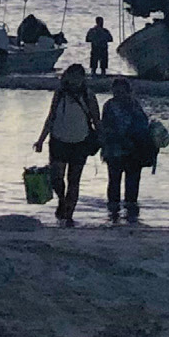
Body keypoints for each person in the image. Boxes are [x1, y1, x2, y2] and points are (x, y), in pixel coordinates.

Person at [33, 64, 100, 225]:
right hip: (58, 140)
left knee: (74, 180)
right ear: (67, 77)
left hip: (80, 141)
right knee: (56, 177)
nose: (75, 80)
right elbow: (51, 118)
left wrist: (102, 140)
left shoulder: (88, 95)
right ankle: (62, 200)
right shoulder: (60, 94)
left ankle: (69, 214)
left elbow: (97, 120)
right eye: (72, 76)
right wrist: (41, 139)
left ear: (83, 78)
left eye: (79, 76)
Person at [100, 76, 154, 220]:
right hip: (116, 150)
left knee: (129, 184)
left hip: (131, 150)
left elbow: (143, 127)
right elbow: (106, 127)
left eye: (122, 92)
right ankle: (118, 213)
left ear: (128, 91)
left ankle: (122, 213)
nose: (119, 94)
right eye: (117, 92)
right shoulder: (112, 106)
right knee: (115, 183)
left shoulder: (133, 106)